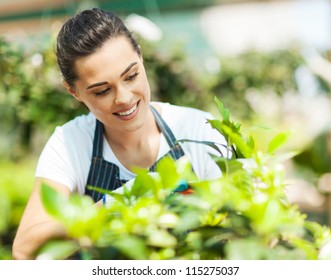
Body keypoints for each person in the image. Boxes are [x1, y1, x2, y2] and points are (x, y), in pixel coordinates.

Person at [12, 8, 228, 260]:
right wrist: (118, 203)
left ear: (141, 57)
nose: (124, 99)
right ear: (74, 91)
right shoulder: (70, 144)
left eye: (131, 76)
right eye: (102, 91)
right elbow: (25, 251)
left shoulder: (198, 129)